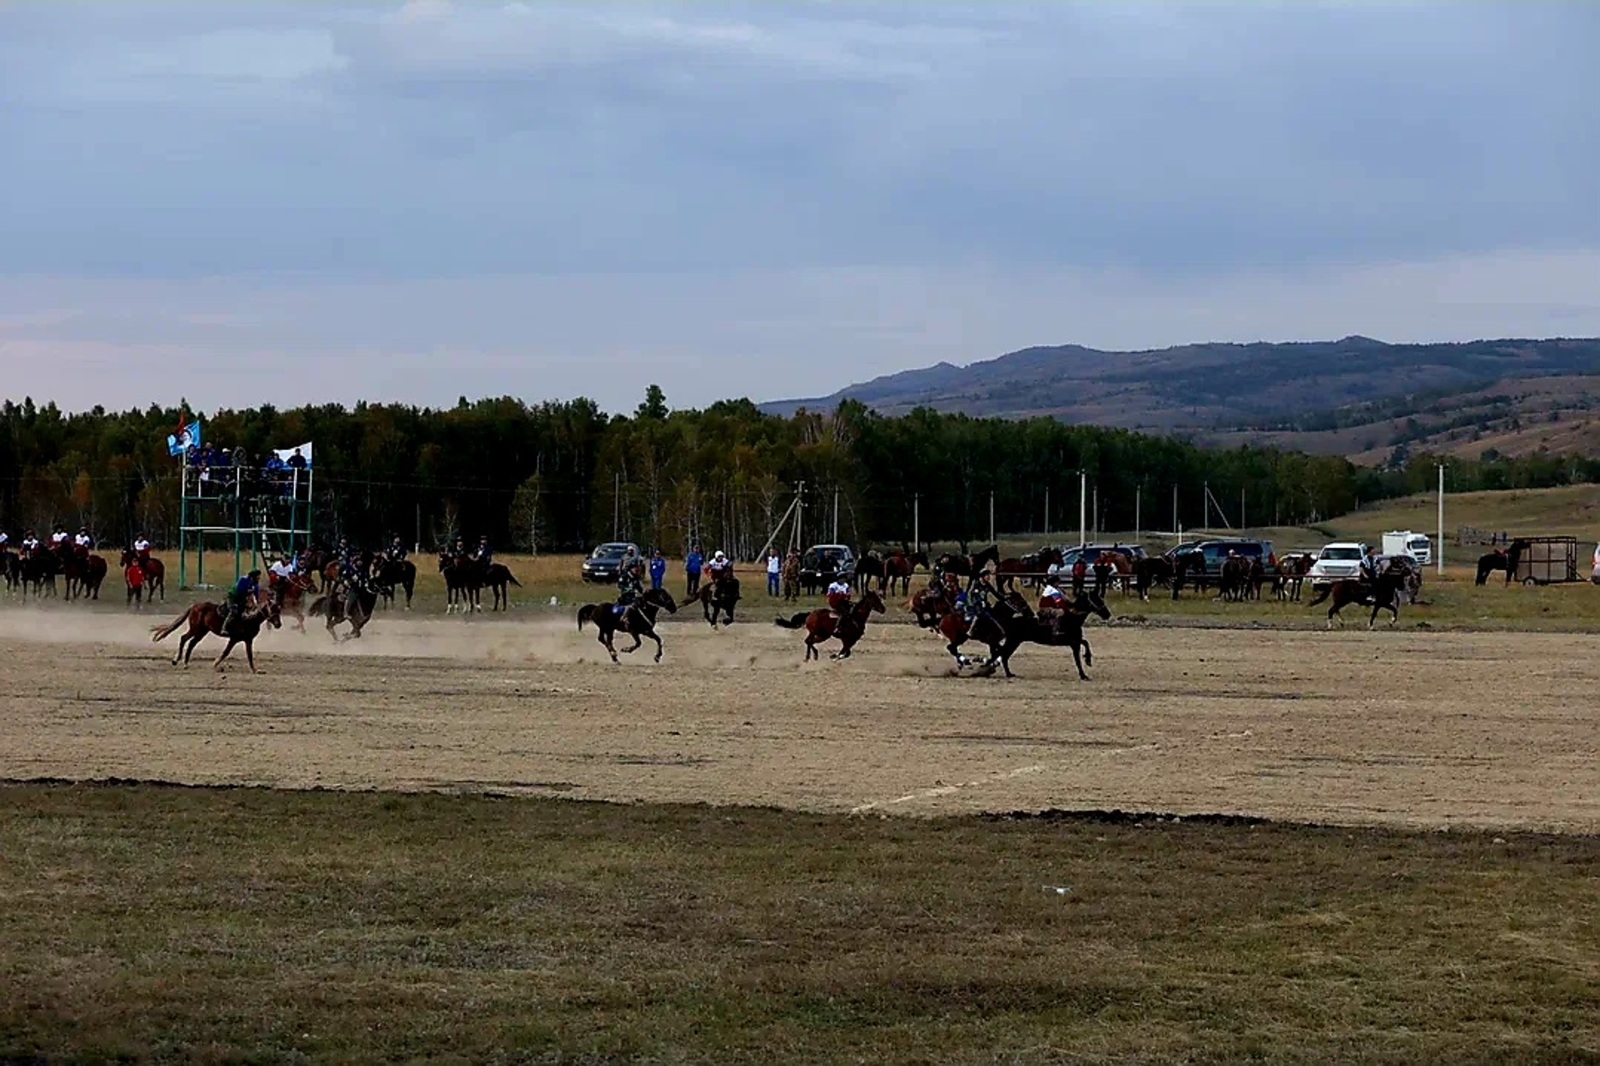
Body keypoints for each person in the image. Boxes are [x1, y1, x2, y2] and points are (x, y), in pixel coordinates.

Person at [221, 569, 261, 635]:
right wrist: (249, 591)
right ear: (253, 576)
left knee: (247, 611)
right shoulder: (243, 580)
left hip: (242, 599)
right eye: (258, 576)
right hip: (233, 597)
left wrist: (256, 603)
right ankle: (224, 628)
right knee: (233, 611)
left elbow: (256, 594)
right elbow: (240, 590)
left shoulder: (255, 584)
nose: (259, 578)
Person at [615, 552, 644, 617]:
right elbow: (620, 586)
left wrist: (641, 591)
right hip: (626, 597)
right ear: (630, 568)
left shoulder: (636, 578)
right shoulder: (624, 577)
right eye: (634, 568)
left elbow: (640, 588)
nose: (636, 570)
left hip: (635, 597)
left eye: (637, 568)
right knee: (632, 605)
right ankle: (624, 618)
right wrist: (631, 589)